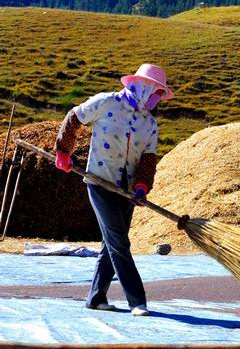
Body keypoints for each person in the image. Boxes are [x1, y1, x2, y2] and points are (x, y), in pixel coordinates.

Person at [54, 64, 173, 316]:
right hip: (99, 183)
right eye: (157, 93)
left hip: (127, 192)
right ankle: (137, 301)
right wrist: (64, 150)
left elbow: (148, 159)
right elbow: (75, 117)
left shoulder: (149, 123)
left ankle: (96, 298)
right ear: (143, 87)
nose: (158, 99)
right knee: (119, 241)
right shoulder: (106, 103)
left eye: (160, 94)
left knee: (111, 244)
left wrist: (142, 186)